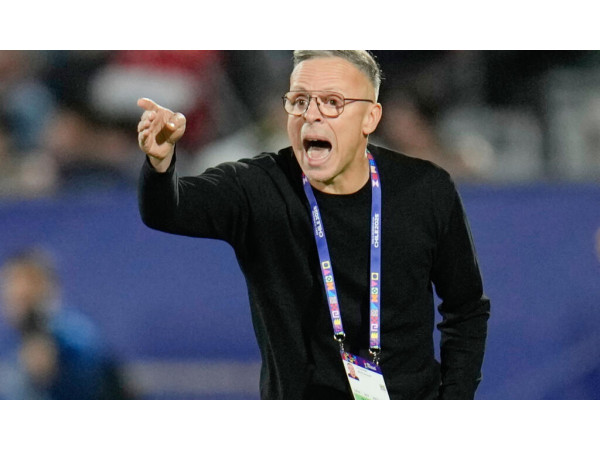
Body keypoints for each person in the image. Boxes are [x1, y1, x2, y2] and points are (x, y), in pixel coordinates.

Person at [137, 50, 490, 400]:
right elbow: (167, 210)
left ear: (370, 118)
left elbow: (466, 308)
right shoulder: (257, 187)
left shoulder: (425, 190)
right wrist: (160, 162)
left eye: (332, 102)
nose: (311, 114)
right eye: (299, 101)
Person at [0, 247, 132, 399]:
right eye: (10, 289)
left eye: (25, 294)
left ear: (47, 288)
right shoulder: (17, 341)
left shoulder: (73, 337)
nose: (16, 292)